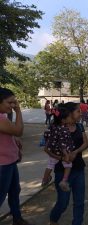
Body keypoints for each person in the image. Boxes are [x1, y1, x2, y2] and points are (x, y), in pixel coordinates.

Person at [46, 102, 88, 225]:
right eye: (78, 111)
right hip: (62, 171)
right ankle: (53, 219)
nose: (81, 113)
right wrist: (61, 157)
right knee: (63, 202)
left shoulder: (80, 127)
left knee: (79, 202)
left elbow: (86, 144)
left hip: (79, 169)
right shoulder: (56, 128)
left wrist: (75, 152)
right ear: (69, 113)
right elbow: (47, 150)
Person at [0, 88, 34, 225]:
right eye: (10, 102)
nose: (14, 105)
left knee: (15, 191)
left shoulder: (2, 116)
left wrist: (13, 141)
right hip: (3, 164)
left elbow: (10, 133)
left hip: (9, 161)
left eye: (15, 102)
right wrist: (19, 111)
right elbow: (19, 130)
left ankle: (17, 218)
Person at [41, 105, 74, 191]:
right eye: (68, 117)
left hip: (52, 150)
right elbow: (62, 143)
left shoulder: (52, 126)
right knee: (68, 165)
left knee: (50, 165)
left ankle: (45, 179)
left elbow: (46, 135)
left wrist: (48, 145)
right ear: (63, 120)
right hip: (62, 151)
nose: (70, 118)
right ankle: (64, 181)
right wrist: (66, 154)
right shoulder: (64, 129)